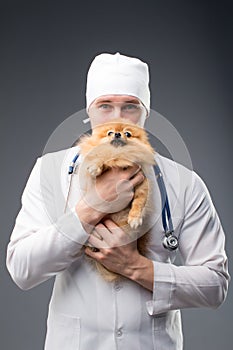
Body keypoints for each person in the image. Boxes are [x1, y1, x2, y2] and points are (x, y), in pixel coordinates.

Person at [6, 52, 230, 350]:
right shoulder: (50, 171)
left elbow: (215, 285)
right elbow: (22, 269)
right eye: (105, 106)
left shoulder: (184, 183)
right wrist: (91, 208)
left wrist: (136, 266)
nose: (117, 119)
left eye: (130, 107)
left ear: (146, 113)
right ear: (90, 112)